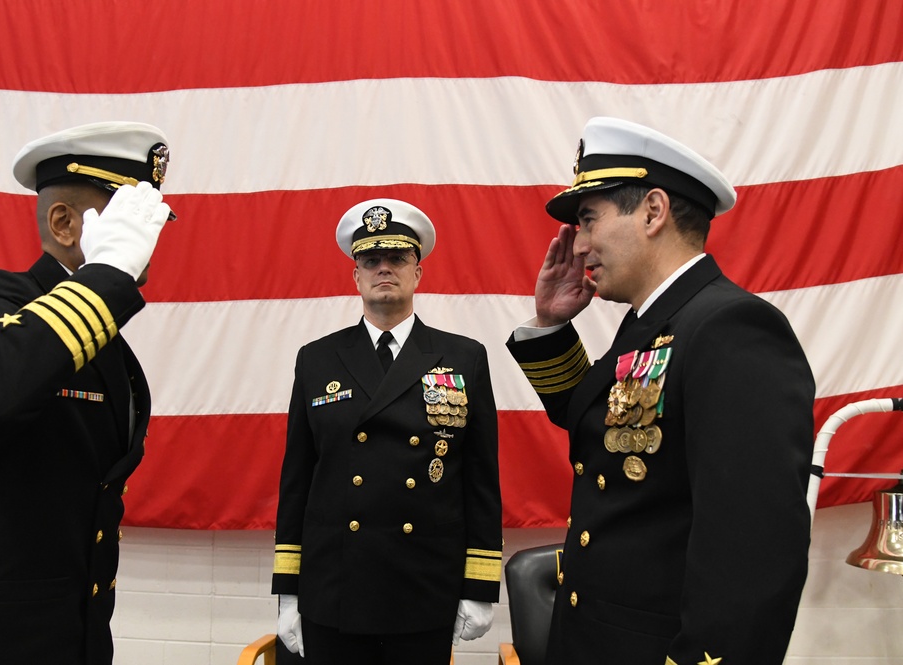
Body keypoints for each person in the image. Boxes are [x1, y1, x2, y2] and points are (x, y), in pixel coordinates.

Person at [506, 117, 815, 665]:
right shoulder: (656, 321)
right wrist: (551, 326)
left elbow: (752, 556)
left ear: (652, 212)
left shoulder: (731, 329)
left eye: (587, 219)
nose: (578, 246)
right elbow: (605, 425)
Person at [0, 121, 174, 665]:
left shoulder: (103, 337)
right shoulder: (3, 296)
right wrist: (105, 274)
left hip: (72, 629)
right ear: (63, 223)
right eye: (131, 217)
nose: (149, 238)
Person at [271, 199, 503, 665]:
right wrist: (288, 591)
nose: (384, 269)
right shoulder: (316, 359)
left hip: (423, 584)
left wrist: (480, 586)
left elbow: (480, 481)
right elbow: (297, 480)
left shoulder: (463, 357)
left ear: (418, 272)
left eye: (397, 259)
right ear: (355, 276)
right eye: (370, 261)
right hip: (334, 587)